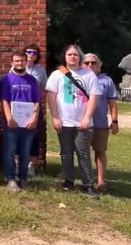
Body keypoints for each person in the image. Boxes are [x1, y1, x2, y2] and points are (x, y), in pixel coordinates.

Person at [46, 44, 101, 199]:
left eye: (75, 55)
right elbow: (51, 97)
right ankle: (69, 181)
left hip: (83, 123)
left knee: (83, 154)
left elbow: (94, 97)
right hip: (64, 122)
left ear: (80, 57)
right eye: (69, 54)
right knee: (66, 153)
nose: (72, 57)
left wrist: (86, 117)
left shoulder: (89, 75)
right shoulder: (57, 74)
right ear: (65, 57)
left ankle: (88, 185)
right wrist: (55, 117)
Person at [1, 50, 40, 191]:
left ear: (26, 62)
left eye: (22, 60)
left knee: (25, 151)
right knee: (10, 151)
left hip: (28, 123)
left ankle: (23, 179)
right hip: (11, 122)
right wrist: (9, 117)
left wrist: (35, 118)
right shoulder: (7, 79)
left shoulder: (32, 80)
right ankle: (11, 180)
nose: (19, 63)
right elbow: (4, 100)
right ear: (12, 62)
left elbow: (37, 101)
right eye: (16, 61)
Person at [83, 53, 119, 191]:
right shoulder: (78, 79)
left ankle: (100, 180)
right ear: (82, 64)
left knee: (100, 151)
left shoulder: (106, 81)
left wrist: (114, 121)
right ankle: (71, 176)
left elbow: (113, 104)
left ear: (99, 65)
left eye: (93, 63)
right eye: (87, 63)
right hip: (81, 122)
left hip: (100, 123)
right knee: (79, 150)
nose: (90, 65)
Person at [24, 44, 48, 176]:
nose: (31, 54)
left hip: (34, 106)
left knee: (33, 136)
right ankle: (18, 164)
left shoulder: (40, 71)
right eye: (28, 52)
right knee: (19, 134)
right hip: (19, 106)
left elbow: (43, 88)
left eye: (34, 52)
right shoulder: (15, 67)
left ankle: (31, 165)